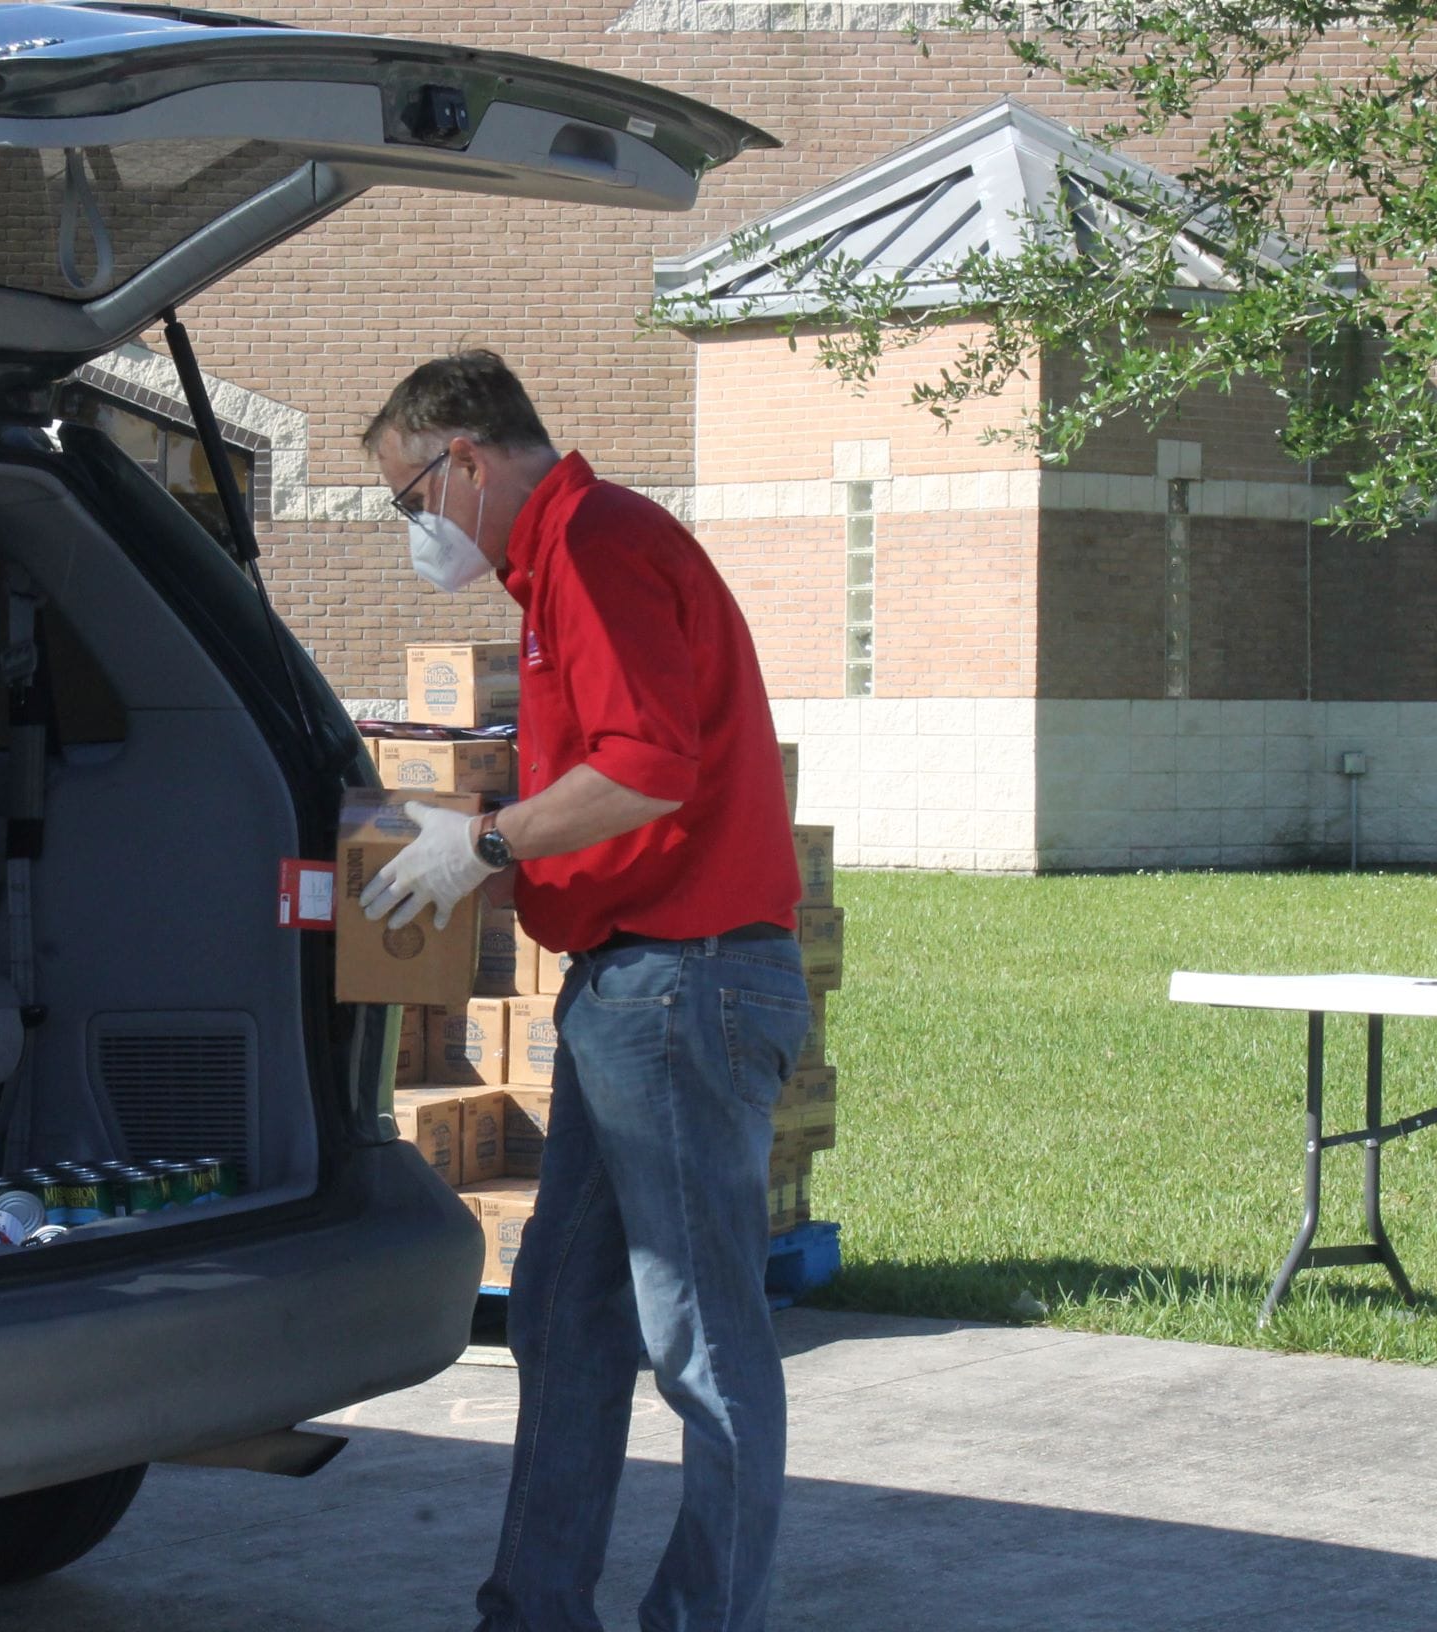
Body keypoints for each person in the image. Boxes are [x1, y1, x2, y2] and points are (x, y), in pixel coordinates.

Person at [357, 352, 809, 1632]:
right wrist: (472, 867)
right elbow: (626, 802)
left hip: (682, 985)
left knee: (699, 1341)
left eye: (409, 498)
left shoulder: (598, 547)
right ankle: (533, 1609)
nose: (416, 529)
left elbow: (650, 771)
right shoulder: (566, 559)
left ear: (466, 456)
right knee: (562, 1308)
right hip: (644, 986)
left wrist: (485, 844)